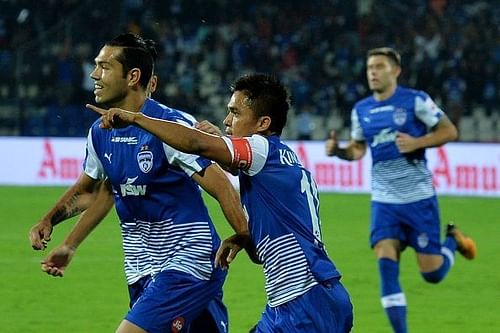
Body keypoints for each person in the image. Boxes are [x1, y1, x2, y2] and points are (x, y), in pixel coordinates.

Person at [87, 73, 354, 333]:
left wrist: (137, 119)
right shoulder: (283, 160)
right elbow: (261, 252)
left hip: (305, 303)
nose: (227, 120)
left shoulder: (261, 149)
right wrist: (244, 237)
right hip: (298, 302)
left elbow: (196, 144)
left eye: (235, 113)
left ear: (262, 124)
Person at [28, 33, 251, 333]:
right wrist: (52, 223)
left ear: (133, 77)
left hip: (188, 263)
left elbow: (221, 185)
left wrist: (247, 237)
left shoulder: (170, 127)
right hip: (142, 269)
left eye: (104, 67)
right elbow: (92, 191)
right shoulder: (99, 132)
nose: (94, 74)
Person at [324, 47, 477, 333]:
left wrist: (418, 143)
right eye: (370, 67)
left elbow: (450, 131)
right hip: (384, 202)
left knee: (432, 274)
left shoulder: (415, 101)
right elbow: (358, 149)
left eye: (379, 66)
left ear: (396, 71)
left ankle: (453, 241)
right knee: (385, 264)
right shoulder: (362, 110)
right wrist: (340, 152)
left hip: (418, 199)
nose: (372, 72)